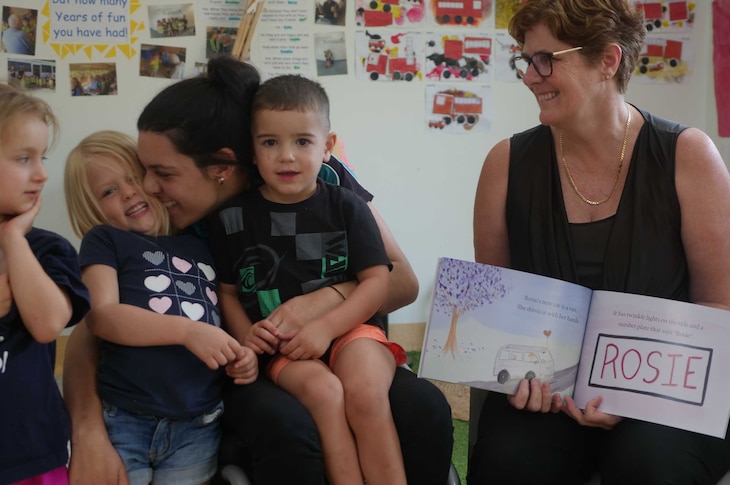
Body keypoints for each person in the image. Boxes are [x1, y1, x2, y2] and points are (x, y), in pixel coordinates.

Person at [62, 56, 453, 485]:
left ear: (223, 167)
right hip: (253, 361)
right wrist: (87, 431)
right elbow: (95, 325)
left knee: (424, 408)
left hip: (346, 342)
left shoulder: (321, 177)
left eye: (162, 173)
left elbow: (401, 280)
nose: (149, 187)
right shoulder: (164, 219)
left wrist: (318, 302)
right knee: (287, 425)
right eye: (143, 171)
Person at [468, 0, 730, 483]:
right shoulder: (506, 164)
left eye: (546, 59)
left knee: (647, 467)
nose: (530, 76)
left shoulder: (688, 155)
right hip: (550, 394)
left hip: (674, 391)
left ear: (608, 60)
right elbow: (500, 309)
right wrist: (521, 375)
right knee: (507, 464)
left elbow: (715, 311)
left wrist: (632, 395)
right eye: (525, 59)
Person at [211, 74, 408, 485]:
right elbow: (227, 292)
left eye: (302, 141)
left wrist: (324, 328)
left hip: (351, 332)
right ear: (253, 149)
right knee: (325, 394)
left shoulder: (348, 207)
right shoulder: (233, 218)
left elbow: (377, 282)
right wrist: (249, 341)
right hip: (282, 349)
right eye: (270, 143)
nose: (286, 156)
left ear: (328, 146)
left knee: (367, 394)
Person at [63, 130, 258, 485]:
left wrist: (241, 355)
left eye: (134, 177)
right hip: (126, 418)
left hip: (198, 423)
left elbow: (222, 309)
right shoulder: (106, 241)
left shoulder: (201, 243)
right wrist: (188, 332)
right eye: (109, 191)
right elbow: (102, 316)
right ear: (91, 207)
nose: (129, 192)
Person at [0, 85, 90, 484]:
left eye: (42, 157)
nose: (41, 173)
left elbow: (48, 323)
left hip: (32, 453)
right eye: (23, 159)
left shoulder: (47, 248)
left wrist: (13, 240)